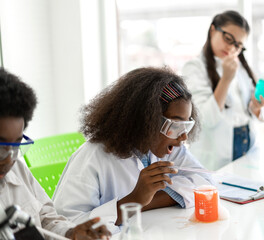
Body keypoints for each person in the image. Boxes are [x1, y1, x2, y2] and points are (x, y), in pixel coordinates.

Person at [53, 67, 212, 234]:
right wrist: (133, 200)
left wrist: (145, 202)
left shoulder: (167, 147)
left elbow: (204, 182)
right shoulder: (92, 157)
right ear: (145, 119)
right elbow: (67, 227)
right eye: (175, 125)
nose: (183, 137)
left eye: (186, 125)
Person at [0, 68, 111, 239]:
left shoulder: (17, 171)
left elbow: (46, 218)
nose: (8, 159)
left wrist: (71, 233)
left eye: (16, 145)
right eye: (1, 146)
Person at [182, 10, 264, 170]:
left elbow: (246, 113)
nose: (231, 48)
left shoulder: (241, 68)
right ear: (212, 30)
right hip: (216, 154)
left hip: (247, 144)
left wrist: (256, 108)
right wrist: (226, 80)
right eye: (228, 39)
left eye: (238, 46)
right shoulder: (194, 68)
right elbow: (205, 119)